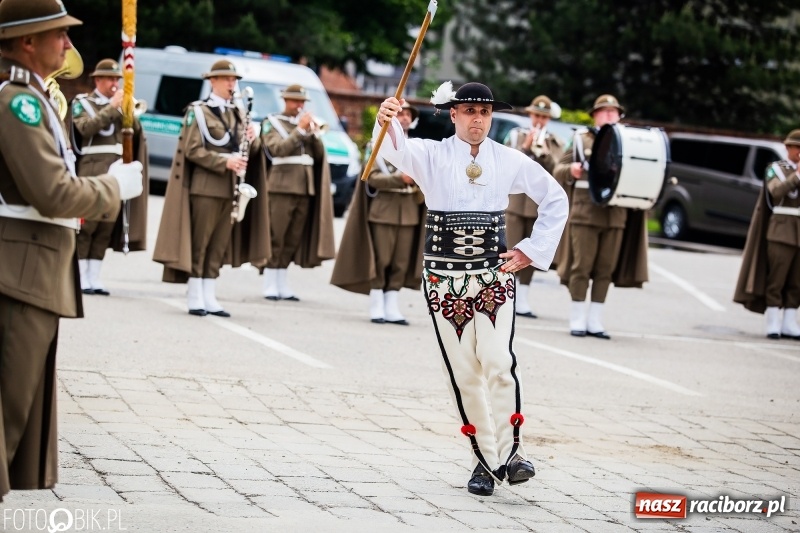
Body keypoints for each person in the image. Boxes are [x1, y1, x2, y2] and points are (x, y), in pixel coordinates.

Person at [374, 82, 568, 496]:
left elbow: (555, 198)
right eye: (469, 111)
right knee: (464, 373)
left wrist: (532, 250)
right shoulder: (432, 154)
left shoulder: (508, 159)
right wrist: (385, 119)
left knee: (499, 361)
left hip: (493, 277)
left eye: (484, 111)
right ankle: (485, 460)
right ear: (454, 114)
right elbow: (395, 150)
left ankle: (511, 454)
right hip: (444, 280)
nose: (478, 117)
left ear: (491, 116)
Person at [0, 0, 143, 501]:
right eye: (58, 35)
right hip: (20, 267)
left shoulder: (36, 97)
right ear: (26, 42)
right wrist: (113, 187)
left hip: (32, 266)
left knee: (16, 413)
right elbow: (53, 192)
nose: (67, 45)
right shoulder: (17, 101)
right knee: (8, 411)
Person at [153, 60, 270, 317]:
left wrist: (255, 138)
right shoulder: (198, 112)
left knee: (219, 244)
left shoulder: (239, 113)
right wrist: (223, 161)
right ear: (212, 81)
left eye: (234, 79)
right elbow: (192, 150)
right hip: (205, 187)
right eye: (226, 79)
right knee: (201, 242)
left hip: (231, 189)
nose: (232, 83)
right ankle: (194, 294)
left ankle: (209, 293)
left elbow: (251, 151)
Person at [553, 94, 648, 339]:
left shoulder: (628, 141)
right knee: (581, 267)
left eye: (613, 112)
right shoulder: (579, 138)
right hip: (585, 213)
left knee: (605, 269)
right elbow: (558, 169)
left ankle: (595, 319)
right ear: (594, 115)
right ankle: (577, 316)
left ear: (619, 116)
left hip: (615, 214)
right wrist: (571, 170)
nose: (608, 115)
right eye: (603, 111)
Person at [331, 101, 425, 325]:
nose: (404, 118)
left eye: (408, 115)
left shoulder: (417, 148)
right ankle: (376, 303)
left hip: (409, 211)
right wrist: (399, 179)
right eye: (400, 114)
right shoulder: (378, 146)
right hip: (383, 211)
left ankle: (392, 303)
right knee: (381, 259)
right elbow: (370, 177)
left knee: (400, 261)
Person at [70, 58, 149, 296]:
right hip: (92, 169)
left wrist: (127, 112)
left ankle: (94, 277)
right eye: (110, 79)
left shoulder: (122, 103)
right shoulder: (83, 102)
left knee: (106, 226)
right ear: (98, 80)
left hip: (116, 170)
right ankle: (80, 276)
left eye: (117, 79)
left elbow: (134, 133)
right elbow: (85, 128)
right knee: (87, 225)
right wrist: (111, 107)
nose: (115, 83)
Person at [260, 84, 335, 301]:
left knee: (293, 238)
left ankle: (282, 280)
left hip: (304, 187)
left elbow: (319, 156)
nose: (299, 106)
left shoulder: (304, 127)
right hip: (281, 186)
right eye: (295, 101)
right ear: (285, 100)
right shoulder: (272, 123)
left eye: (302, 102)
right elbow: (278, 150)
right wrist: (300, 131)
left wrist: (312, 134)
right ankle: (270, 281)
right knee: (277, 235)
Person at [503, 95, 566, 318]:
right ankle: (504, 294)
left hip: (538, 206)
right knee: (509, 248)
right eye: (536, 115)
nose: (539, 120)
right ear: (530, 115)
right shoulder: (515, 136)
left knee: (530, 250)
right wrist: (525, 147)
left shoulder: (556, 142)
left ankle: (524, 297)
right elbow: (505, 165)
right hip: (516, 203)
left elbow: (558, 173)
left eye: (543, 117)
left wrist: (546, 156)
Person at [734, 130, 800, 340]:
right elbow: (777, 192)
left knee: (797, 280)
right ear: (788, 148)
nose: (799, 152)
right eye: (797, 148)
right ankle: (773, 321)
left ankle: (790, 322)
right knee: (777, 278)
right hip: (781, 230)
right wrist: (797, 176)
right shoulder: (775, 169)